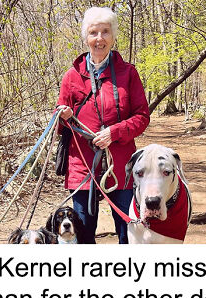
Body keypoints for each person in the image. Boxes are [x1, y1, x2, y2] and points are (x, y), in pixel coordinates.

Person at [56, 7, 150, 244]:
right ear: (86, 37)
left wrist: (114, 133)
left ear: (113, 36)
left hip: (121, 165)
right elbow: (60, 124)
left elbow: (142, 116)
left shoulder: (128, 73)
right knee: (83, 232)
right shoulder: (71, 76)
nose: (99, 39)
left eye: (105, 32)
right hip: (82, 166)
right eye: (94, 33)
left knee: (128, 231)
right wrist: (63, 116)